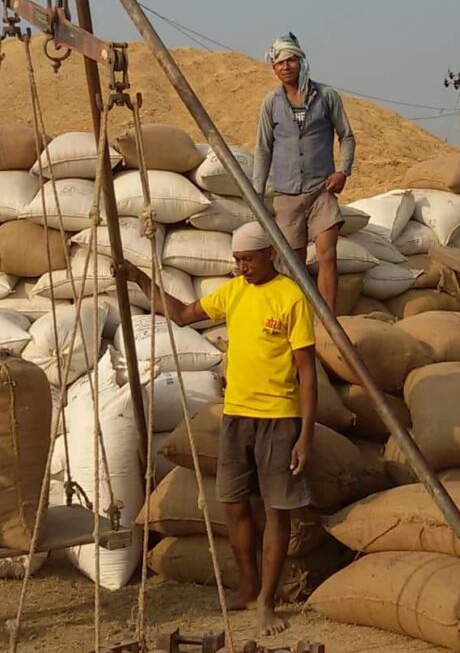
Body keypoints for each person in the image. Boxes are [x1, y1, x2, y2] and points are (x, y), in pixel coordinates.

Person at [117, 222, 317, 636]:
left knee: (278, 511)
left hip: (279, 418)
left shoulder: (291, 297)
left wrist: (305, 435)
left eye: (248, 259)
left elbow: (307, 373)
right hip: (235, 416)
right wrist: (139, 279)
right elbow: (181, 314)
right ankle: (246, 586)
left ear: (270, 255)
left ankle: (266, 600)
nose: (242, 267)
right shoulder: (233, 292)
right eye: (237, 261)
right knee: (235, 505)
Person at [254, 32, 355, 314]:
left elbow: (346, 136)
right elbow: (263, 149)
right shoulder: (271, 104)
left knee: (327, 255)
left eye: (291, 60)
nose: (285, 67)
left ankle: (329, 320)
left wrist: (343, 172)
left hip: (321, 190)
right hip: (286, 195)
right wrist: (256, 193)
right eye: (279, 63)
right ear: (274, 68)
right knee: (293, 264)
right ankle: (299, 318)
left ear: (302, 61)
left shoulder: (326, 97)